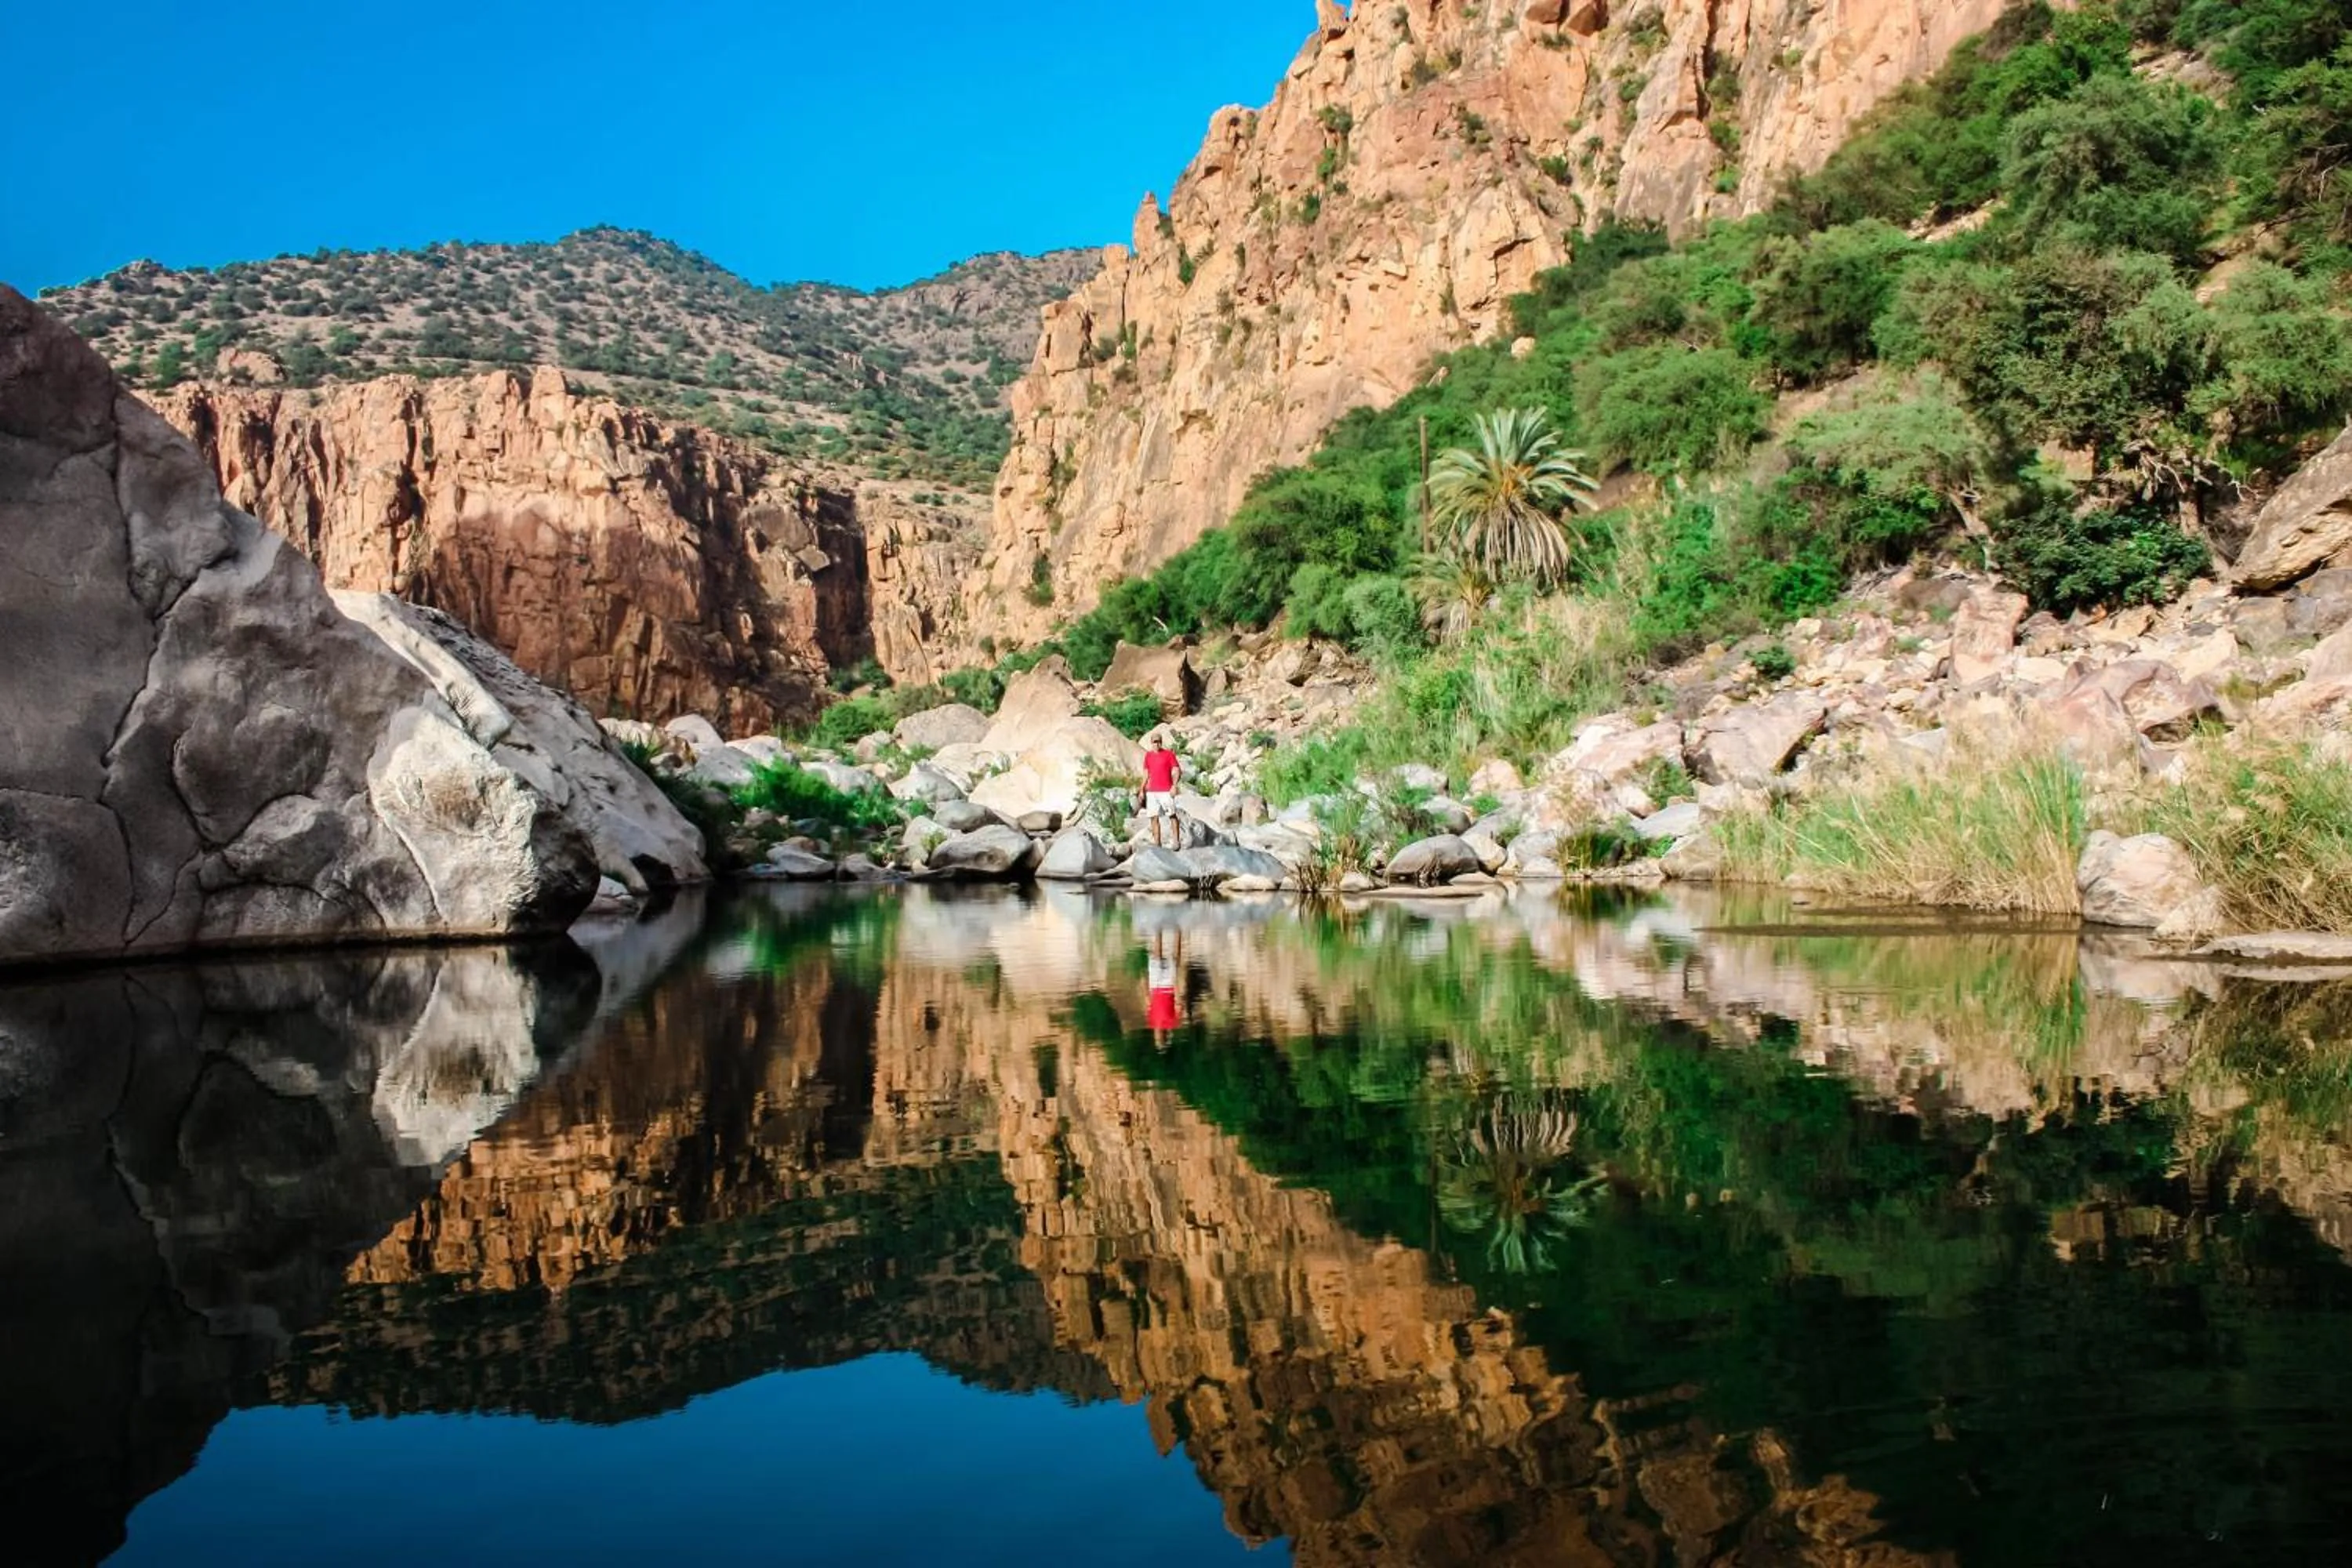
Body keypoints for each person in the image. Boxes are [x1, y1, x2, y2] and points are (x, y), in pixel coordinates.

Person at [1141, 731, 1181, 848]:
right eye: (1154, 742)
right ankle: (1157, 843)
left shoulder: (1169, 754)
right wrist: (1141, 789)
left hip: (1166, 791)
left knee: (1172, 815)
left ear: (1161, 742)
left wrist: (1174, 785)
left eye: (1158, 741)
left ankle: (1176, 841)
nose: (1156, 744)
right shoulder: (1148, 756)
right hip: (1152, 791)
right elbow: (1146, 773)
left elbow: (1177, 770)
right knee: (1153, 817)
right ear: (1151, 743)